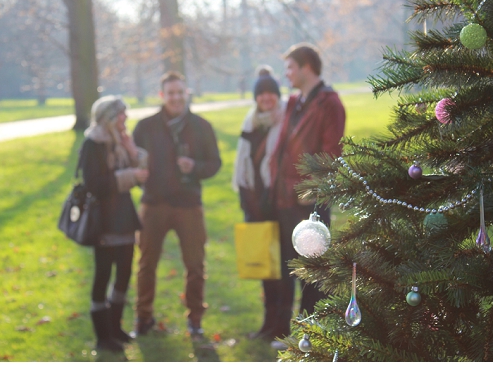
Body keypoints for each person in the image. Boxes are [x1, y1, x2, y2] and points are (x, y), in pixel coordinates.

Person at [132, 71, 222, 338]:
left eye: (180, 92)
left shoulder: (201, 126)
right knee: (146, 265)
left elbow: (215, 163)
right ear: (162, 95)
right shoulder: (145, 127)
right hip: (153, 204)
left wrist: (195, 167)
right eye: (170, 93)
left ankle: (195, 319)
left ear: (187, 93)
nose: (175, 97)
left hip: (188, 205)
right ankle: (143, 318)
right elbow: (132, 160)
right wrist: (138, 175)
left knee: (195, 265)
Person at [268, 43, 346, 348]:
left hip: (309, 201)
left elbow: (331, 152)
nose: (286, 74)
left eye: (290, 67)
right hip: (285, 198)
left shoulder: (330, 103)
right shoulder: (294, 102)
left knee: (313, 270)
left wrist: (314, 189)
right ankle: (291, 333)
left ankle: (311, 335)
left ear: (306, 67)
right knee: (289, 266)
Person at [79, 95, 149, 352]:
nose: (126, 118)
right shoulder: (93, 144)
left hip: (124, 218)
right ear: (109, 117)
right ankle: (103, 336)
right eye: (121, 114)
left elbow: (140, 172)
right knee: (103, 275)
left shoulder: (121, 141)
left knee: (123, 274)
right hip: (104, 220)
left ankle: (115, 326)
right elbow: (94, 185)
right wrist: (130, 175)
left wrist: (132, 152)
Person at [232, 66, 286, 340]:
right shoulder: (250, 121)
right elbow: (242, 164)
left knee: (281, 269)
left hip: (278, 204)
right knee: (265, 267)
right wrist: (247, 201)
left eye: (271, 93)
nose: (266, 98)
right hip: (255, 204)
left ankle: (281, 325)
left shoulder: (286, 119)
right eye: (261, 94)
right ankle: (267, 324)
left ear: (277, 95)